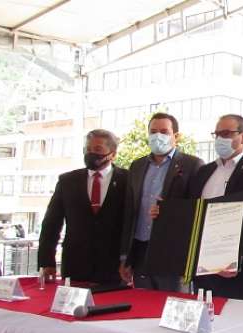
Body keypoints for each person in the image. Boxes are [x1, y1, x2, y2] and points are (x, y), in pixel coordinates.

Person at [187, 114, 243, 300]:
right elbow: (191, 212)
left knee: (235, 325)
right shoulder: (204, 171)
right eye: (217, 134)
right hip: (202, 268)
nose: (220, 138)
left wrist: (237, 259)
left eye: (226, 133)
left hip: (236, 272)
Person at [119, 112, 204, 291]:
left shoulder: (192, 165)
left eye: (164, 132)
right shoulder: (137, 166)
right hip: (140, 250)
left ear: (176, 136)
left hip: (172, 252)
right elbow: (128, 212)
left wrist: (170, 211)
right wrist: (125, 257)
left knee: (172, 306)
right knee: (143, 306)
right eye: (153, 131)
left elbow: (197, 210)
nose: (158, 136)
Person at [38, 129, 128, 285]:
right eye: (87, 149)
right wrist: (47, 261)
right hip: (75, 266)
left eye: (98, 149)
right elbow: (51, 224)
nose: (91, 153)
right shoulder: (67, 181)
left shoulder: (128, 180)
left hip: (114, 268)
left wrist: (129, 261)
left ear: (112, 154)